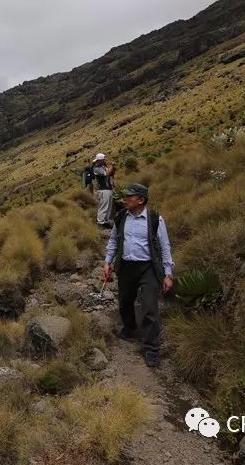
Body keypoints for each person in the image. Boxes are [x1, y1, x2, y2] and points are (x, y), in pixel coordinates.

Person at [101, 183, 175, 368]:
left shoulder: (155, 219)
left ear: (140, 200)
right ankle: (129, 325)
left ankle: (151, 348)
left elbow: (165, 247)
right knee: (125, 300)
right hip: (126, 266)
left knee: (150, 306)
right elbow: (113, 241)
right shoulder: (121, 217)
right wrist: (107, 262)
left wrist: (168, 274)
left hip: (147, 267)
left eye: (129, 196)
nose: (125, 199)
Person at [90, 153, 116, 227]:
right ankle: (100, 221)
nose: (104, 161)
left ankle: (106, 221)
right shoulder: (96, 168)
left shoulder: (103, 167)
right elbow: (106, 173)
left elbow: (111, 173)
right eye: (103, 160)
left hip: (108, 188)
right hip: (103, 189)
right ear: (100, 160)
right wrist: (112, 166)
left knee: (109, 206)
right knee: (104, 205)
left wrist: (113, 168)